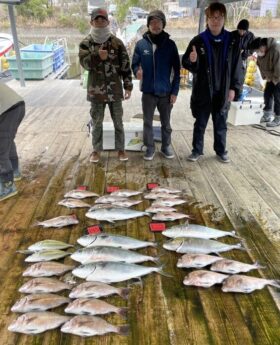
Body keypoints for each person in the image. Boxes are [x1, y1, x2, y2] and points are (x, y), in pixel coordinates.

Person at [182, 2, 243, 163]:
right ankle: (196, 150)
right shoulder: (198, 40)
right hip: (203, 91)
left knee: (221, 123)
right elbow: (186, 62)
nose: (215, 21)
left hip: (223, 91)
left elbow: (238, 66)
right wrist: (191, 59)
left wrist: (234, 88)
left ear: (224, 19)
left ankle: (221, 150)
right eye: (212, 17)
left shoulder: (232, 41)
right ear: (207, 19)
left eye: (219, 17)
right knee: (200, 123)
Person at [79, 8, 133, 163]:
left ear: (108, 22)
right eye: (97, 19)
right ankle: (96, 150)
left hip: (115, 91)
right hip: (96, 92)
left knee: (118, 122)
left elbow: (125, 66)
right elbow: (84, 64)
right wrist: (97, 56)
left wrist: (128, 86)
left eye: (103, 19)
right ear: (92, 22)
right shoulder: (85, 43)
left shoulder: (117, 43)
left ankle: (121, 150)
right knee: (97, 123)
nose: (100, 22)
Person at [131, 10, 180, 161]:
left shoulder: (171, 45)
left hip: (166, 92)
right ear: (148, 25)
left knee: (166, 122)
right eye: (152, 22)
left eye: (158, 22)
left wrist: (175, 92)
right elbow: (134, 64)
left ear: (163, 24)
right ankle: (150, 147)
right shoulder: (140, 44)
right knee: (147, 122)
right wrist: (137, 70)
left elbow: (177, 71)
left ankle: (166, 146)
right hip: (148, 91)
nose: (155, 25)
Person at [0, 84, 25, 201]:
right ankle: (15, 172)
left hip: (7, 110)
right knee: (7, 141)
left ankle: (7, 187)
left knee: (1, 151)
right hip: (18, 106)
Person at [250, 37, 280, 127]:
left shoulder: (276, 50)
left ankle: (278, 118)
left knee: (278, 97)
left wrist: (275, 79)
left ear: (263, 46)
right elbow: (259, 64)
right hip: (270, 77)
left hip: (278, 76)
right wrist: (266, 77)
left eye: (258, 50)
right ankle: (267, 114)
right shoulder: (262, 52)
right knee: (267, 94)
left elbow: (279, 67)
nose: (258, 52)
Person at [231, 19, 255, 100]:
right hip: (232, 60)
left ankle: (237, 97)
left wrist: (244, 52)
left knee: (239, 79)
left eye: (243, 30)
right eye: (239, 30)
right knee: (230, 77)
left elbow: (252, 49)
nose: (241, 32)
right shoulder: (232, 34)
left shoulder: (250, 36)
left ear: (246, 30)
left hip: (243, 60)